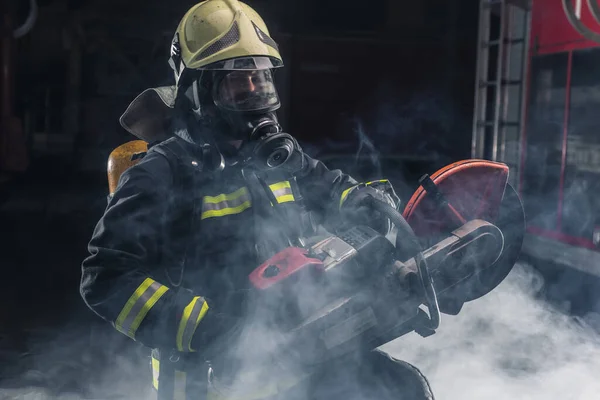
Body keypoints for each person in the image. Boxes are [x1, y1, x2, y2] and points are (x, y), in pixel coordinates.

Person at [80, 1, 435, 399]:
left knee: (396, 388)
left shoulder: (277, 159)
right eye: (238, 85)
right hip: (205, 379)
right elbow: (106, 279)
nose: (254, 96)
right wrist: (216, 330)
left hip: (297, 357)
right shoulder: (161, 173)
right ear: (200, 92)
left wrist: (362, 201)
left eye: (261, 81)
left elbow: (332, 188)